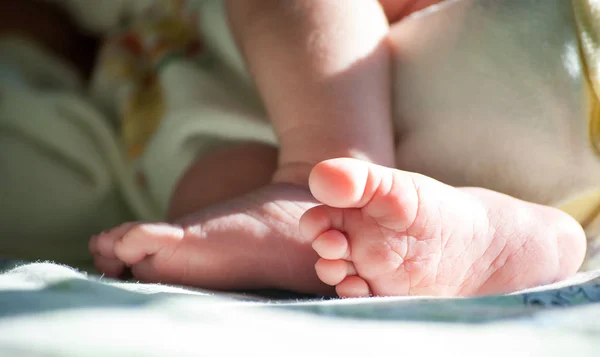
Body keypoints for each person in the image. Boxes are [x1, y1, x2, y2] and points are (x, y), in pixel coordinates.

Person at [88, 0, 589, 298]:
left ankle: (317, 172)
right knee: (201, 202)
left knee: (203, 191)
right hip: (489, 166)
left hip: (495, 47)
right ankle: (523, 234)